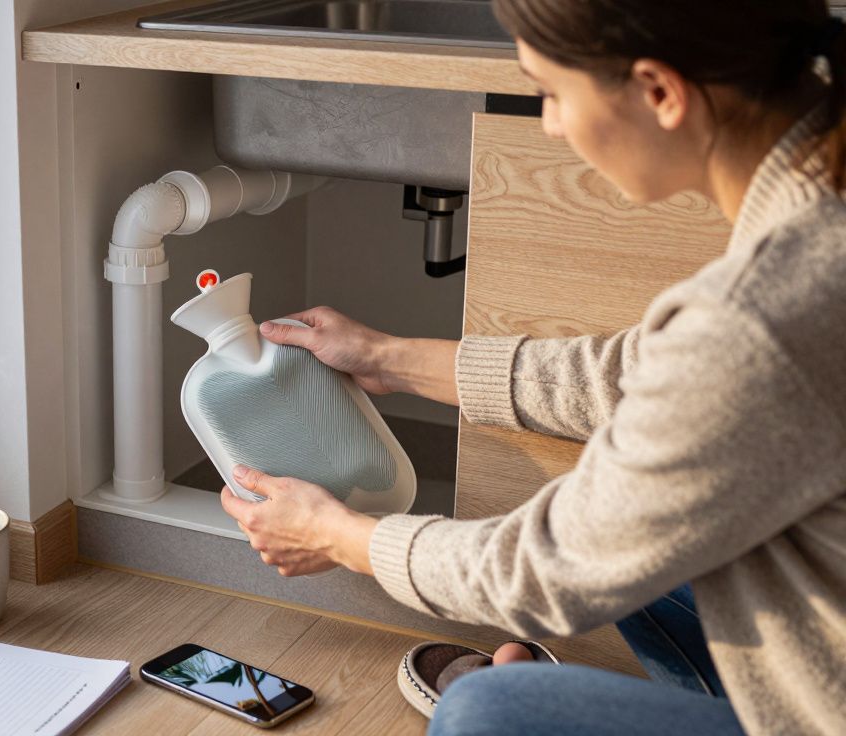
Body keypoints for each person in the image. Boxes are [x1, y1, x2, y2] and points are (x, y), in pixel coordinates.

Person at [217, 1, 846, 734]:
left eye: (550, 92)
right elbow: (656, 380)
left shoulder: (766, 311)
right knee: (639, 525)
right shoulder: (811, 228)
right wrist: (390, 359)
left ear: (660, 93)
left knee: (487, 709)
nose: (550, 122)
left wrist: (340, 537)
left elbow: (545, 571)